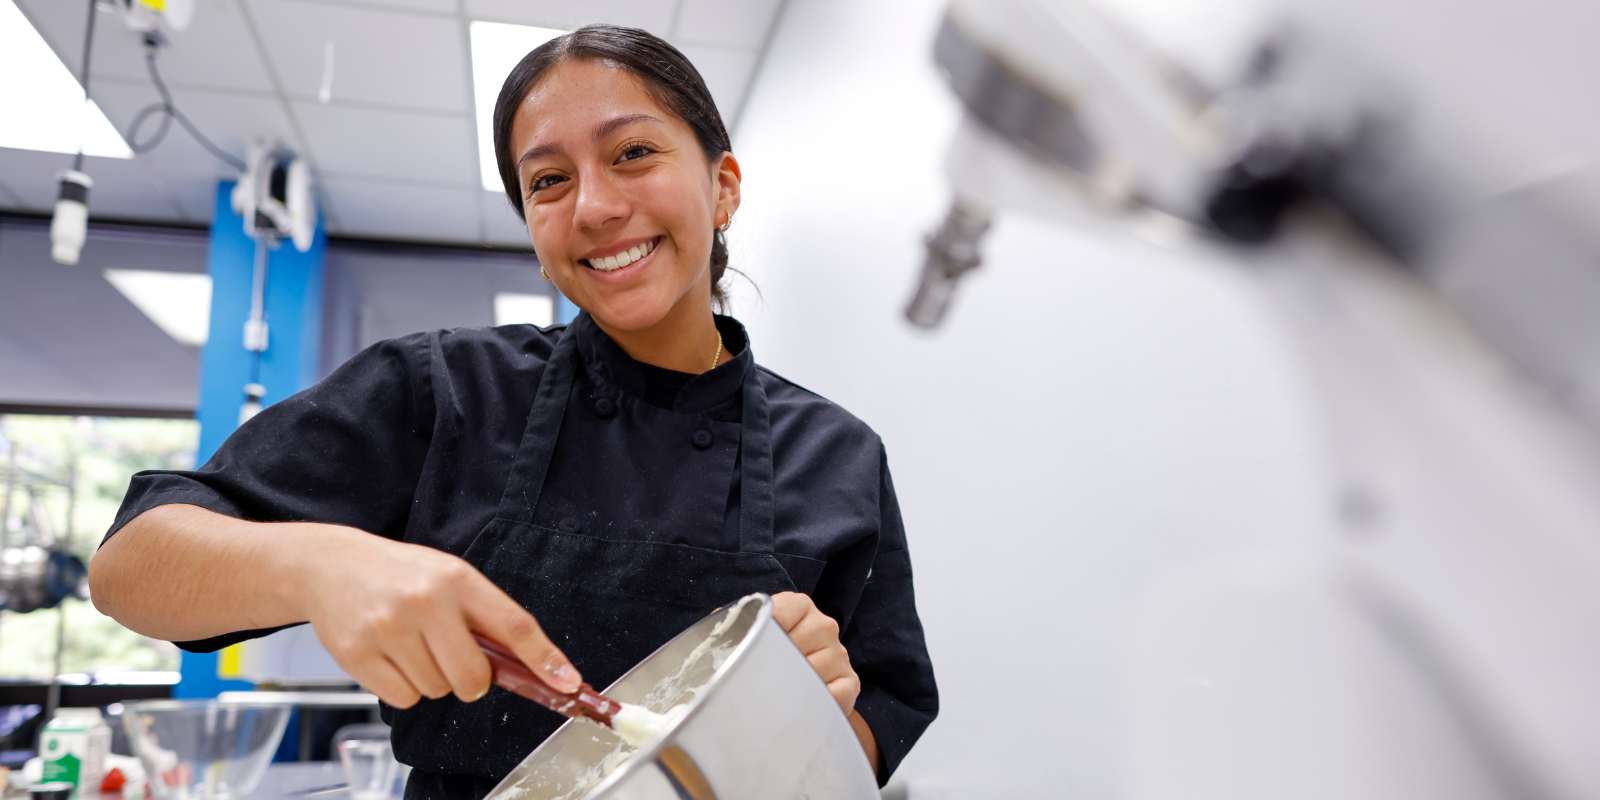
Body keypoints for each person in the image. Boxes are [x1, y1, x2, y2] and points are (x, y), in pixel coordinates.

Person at [89, 24, 937, 799]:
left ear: (722, 189)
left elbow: (862, 753)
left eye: (634, 152)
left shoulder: (838, 456)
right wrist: (323, 565)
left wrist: (812, 707)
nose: (594, 207)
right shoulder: (441, 388)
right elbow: (130, 568)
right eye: (549, 181)